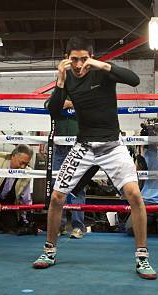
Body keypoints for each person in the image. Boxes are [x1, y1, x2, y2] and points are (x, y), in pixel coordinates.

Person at [32, 37, 157, 280]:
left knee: (135, 195)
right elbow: (54, 110)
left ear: (90, 56)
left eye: (83, 58)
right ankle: (49, 251)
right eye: (73, 59)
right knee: (57, 197)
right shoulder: (67, 78)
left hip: (113, 146)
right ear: (67, 58)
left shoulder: (103, 73)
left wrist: (101, 65)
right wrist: (59, 80)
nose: (78, 64)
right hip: (84, 146)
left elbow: (134, 80)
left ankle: (142, 257)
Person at [44, 97, 86, 239]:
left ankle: (78, 227)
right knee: (56, 186)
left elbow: (89, 104)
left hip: (78, 146)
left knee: (78, 188)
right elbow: (48, 104)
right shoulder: (59, 93)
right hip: (59, 147)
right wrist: (64, 103)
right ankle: (58, 226)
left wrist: (71, 103)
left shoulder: (82, 91)